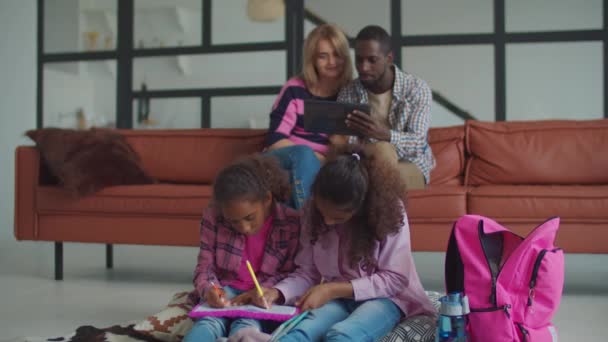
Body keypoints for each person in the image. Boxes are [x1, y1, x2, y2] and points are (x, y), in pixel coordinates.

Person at [248, 144, 436, 341]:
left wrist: (332, 289)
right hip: (339, 299)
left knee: (341, 336)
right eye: (323, 213)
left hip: (388, 299)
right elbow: (308, 272)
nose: (328, 221)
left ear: (361, 207)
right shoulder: (312, 212)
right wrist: (279, 292)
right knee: (299, 334)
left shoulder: (389, 212)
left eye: (338, 218)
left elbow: (396, 279)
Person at [183, 154, 301, 341]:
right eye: (233, 221)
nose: (244, 228)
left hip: (260, 295)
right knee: (208, 323)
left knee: (246, 326)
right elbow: (205, 267)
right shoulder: (214, 217)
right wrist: (209, 290)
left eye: (249, 218)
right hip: (226, 290)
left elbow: (292, 272)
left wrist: (265, 291)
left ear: (267, 199)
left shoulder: (292, 222)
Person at [265, 23, 353, 209]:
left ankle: (292, 231)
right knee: (304, 155)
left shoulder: (351, 93)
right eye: (323, 56)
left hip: (322, 164)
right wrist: (314, 157)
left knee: (294, 178)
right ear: (312, 59)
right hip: (284, 156)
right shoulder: (294, 89)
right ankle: (308, 223)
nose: (332, 62)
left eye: (337, 54)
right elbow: (275, 139)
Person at [336, 25, 435, 189]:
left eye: (372, 60)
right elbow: (345, 142)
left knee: (382, 151)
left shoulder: (416, 89)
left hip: (410, 165)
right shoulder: (349, 92)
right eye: (359, 60)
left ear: (389, 58)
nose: (363, 67)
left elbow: (417, 143)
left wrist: (384, 135)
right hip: (365, 164)